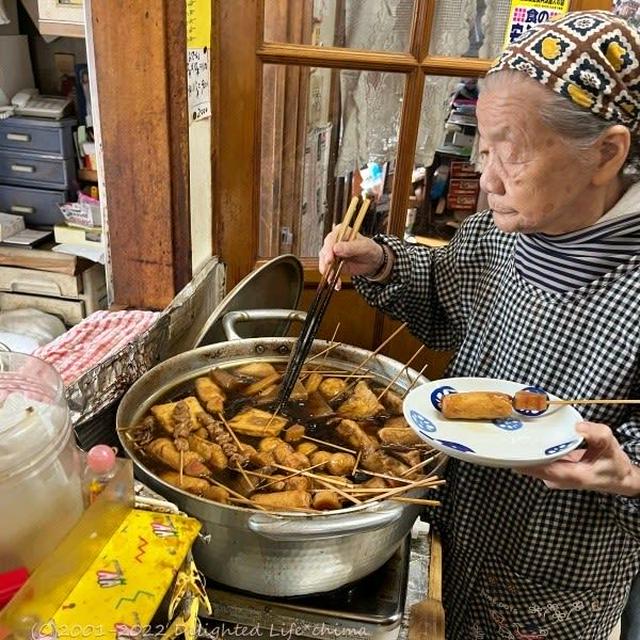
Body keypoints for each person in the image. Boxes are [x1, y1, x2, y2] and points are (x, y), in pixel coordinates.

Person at [319, 11, 640, 640]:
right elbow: (444, 293)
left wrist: (627, 473)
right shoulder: (502, 231)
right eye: (483, 148)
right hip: (452, 525)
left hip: (552, 578)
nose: (485, 177)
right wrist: (380, 261)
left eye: (510, 152)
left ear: (606, 153)